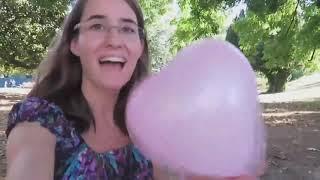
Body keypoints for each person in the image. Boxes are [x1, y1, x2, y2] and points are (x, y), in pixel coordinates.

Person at [6, 0, 154, 179]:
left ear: (140, 46)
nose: (114, 41)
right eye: (97, 26)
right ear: (74, 43)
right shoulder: (41, 119)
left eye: (127, 29)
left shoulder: (151, 125)